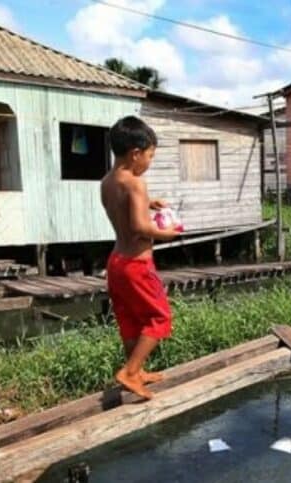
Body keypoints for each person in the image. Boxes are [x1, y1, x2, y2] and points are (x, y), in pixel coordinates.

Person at [101, 116, 180, 400]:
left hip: (116, 263)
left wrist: (148, 203)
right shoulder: (136, 182)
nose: (149, 162)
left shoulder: (108, 181)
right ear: (136, 153)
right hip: (137, 264)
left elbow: (123, 206)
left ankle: (136, 368)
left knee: (130, 318)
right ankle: (131, 372)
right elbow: (138, 227)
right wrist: (166, 233)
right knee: (159, 317)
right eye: (150, 155)